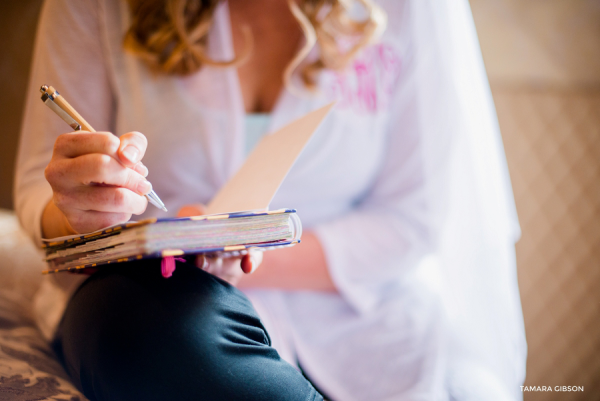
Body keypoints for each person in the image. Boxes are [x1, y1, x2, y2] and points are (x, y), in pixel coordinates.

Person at [15, 0, 527, 399]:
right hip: (165, 303)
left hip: (360, 316)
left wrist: (221, 242)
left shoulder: (411, 10)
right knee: (137, 332)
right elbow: (39, 188)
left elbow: (415, 218)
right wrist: (78, 211)